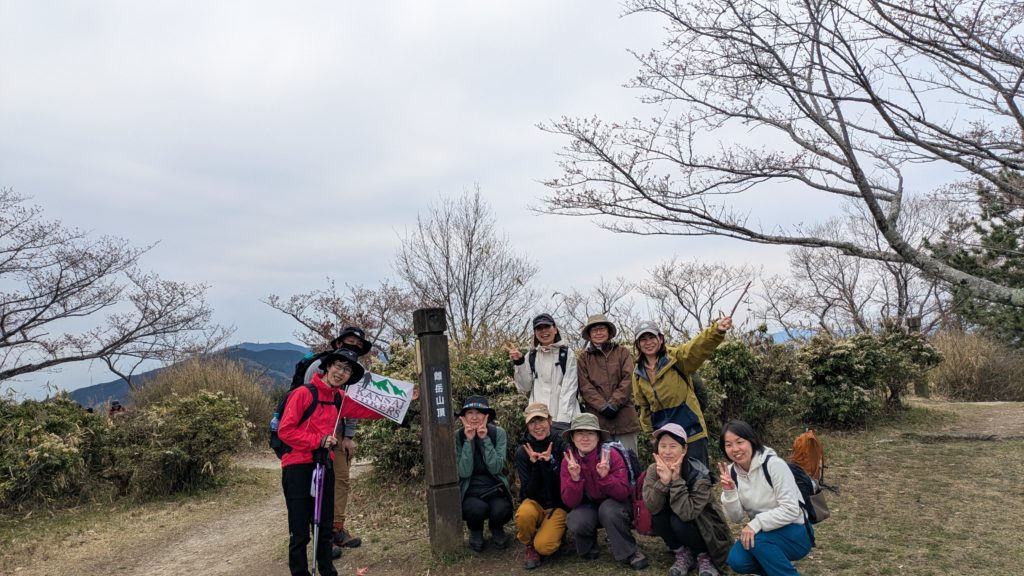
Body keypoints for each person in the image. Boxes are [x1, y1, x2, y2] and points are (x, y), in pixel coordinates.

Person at [277, 348, 385, 576]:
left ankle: (327, 571)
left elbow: (368, 409)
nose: (341, 373)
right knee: (299, 530)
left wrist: (404, 401)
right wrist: (319, 440)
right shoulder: (303, 394)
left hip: (325, 465)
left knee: (325, 526)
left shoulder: (338, 398)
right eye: (338, 366)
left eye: (347, 370)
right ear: (327, 366)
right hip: (297, 466)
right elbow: (285, 431)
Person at [631, 316, 732, 467]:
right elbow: (643, 407)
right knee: (671, 476)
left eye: (651, 337)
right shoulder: (638, 373)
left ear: (660, 339)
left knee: (697, 475)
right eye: (643, 339)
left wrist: (716, 330)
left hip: (691, 428)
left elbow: (697, 348)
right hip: (665, 435)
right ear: (638, 344)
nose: (648, 342)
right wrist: (651, 435)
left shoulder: (676, 358)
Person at [718, 420, 812, 576]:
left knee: (758, 542)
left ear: (751, 441)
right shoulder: (731, 473)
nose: (735, 449)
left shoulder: (774, 465)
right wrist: (730, 492)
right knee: (737, 560)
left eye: (740, 442)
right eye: (728, 445)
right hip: (763, 532)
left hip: (796, 530)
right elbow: (736, 518)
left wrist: (756, 523)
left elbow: (791, 509)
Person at [560, 413, 648, 570]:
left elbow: (623, 492)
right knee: (576, 519)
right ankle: (590, 543)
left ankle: (630, 552)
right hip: (589, 505)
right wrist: (575, 479)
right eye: (580, 433)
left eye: (590, 433)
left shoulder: (611, 454)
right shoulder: (569, 460)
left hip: (615, 503)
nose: (585, 438)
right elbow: (570, 502)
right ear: (572, 438)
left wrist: (605, 477)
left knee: (608, 510)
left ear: (598, 437)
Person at [642, 423, 732, 576]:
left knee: (679, 522)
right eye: (663, 446)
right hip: (678, 519)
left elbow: (687, 513)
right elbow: (651, 506)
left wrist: (676, 480)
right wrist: (663, 482)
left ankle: (704, 556)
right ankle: (683, 553)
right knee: (657, 516)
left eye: (673, 446)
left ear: (684, 449)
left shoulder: (698, 473)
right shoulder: (654, 469)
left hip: (705, 525)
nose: (667, 452)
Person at [513, 403, 567, 570]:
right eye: (532, 422)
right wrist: (536, 466)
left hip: (558, 505)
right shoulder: (523, 452)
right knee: (524, 514)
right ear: (527, 426)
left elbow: (564, 486)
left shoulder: (562, 445)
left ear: (549, 420)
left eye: (541, 420)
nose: (537, 427)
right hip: (535, 502)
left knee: (544, 547)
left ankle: (555, 533)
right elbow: (527, 492)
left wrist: (550, 463)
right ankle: (529, 545)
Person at [506, 313, 579, 437]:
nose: (544, 331)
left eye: (547, 327)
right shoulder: (531, 355)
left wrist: (562, 420)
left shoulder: (567, 353)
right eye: (539, 328)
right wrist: (519, 362)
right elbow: (525, 387)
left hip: (564, 419)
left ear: (555, 329)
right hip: (538, 418)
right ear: (535, 333)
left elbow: (570, 387)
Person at [456, 395, 513, 552]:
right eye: (470, 412)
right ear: (464, 417)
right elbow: (464, 472)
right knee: (476, 509)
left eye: (479, 412)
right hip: (470, 492)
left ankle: (497, 528)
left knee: (502, 510)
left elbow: (496, 468)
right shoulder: (458, 436)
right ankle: (475, 531)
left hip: (494, 489)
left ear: (487, 416)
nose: (474, 417)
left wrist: (484, 439)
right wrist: (469, 441)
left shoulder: (498, 433)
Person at [577, 314, 642, 453]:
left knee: (629, 460)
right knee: (601, 463)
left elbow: (628, 379)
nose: (598, 333)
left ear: (608, 331)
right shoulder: (583, 358)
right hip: (598, 422)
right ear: (589, 334)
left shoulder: (622, 352)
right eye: (594, 330)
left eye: (602, 328)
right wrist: (602, 406)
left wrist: (614, 403)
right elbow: (585, 386)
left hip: (625, 419)